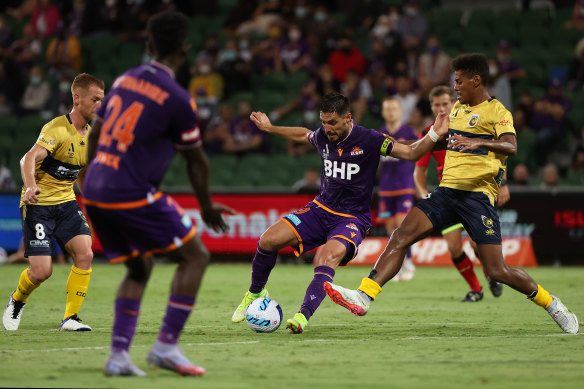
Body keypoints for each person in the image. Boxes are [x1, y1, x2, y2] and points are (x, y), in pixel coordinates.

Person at [324, 54, 579, 335]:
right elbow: (440, 143)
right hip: (446, 193)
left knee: (497, 271)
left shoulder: (498, 111)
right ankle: (364, 295)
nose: (455, 87)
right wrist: (394, 145)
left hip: (477, 197)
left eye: (459, 81)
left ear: (476, 80)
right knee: (400, 236)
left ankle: (552, 304)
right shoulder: (456, 109)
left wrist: (477, 141)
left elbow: (511, 145)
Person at [81, 11, 233, 377]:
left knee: (139, 266)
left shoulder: (124, 78)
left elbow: (97, 136)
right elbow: (196, 161)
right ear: (185, 49)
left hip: (96, 190)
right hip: (130, 192)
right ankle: (165, 346)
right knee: (195, 255)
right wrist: (207, 206)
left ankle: (118, 357)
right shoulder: (179, 98)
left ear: (148, 45)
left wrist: (88, 182)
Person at [231, 92, 450, 334]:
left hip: (352, 218)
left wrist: (434, 135)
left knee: (326, 258)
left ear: (348, 118)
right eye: (324, 122)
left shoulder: (370, 139)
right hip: (320, 209)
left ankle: (302, 317)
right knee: (267, 240)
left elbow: (410, 153)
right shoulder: (324, 135)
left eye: (332, 122)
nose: (327, 128)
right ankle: (255, 292)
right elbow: (303, 134)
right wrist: (270, 128)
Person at [2, 73, 104, 332]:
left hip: (66, 204)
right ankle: (17, 299)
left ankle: (70, 318)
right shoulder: (56, 129)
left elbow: (80, 171)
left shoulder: (91, 136)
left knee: (85, 254)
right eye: (96, 100)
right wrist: (31, 186)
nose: (100, 106)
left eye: (102, 100)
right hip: (39, 206)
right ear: (77, 98)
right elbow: (27, 159)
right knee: (41, 272)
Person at [413, 85, 504, 302]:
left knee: (476, 243)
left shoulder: (468, 122)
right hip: (447, 194)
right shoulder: (429, 132)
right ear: (431, 106)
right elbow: (419, 169)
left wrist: (504, 183)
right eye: (436, 104)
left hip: (474, 191)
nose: (441, 108)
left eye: (445, 103)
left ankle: (491, 274)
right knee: (454, 247)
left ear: (453, 102)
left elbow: (497, 152)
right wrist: (424, 193)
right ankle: (476, 289)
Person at [376, 97, 418, 282]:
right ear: (383, 112)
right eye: (388, 109)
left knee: (402, 225)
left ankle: (408, 261)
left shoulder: (410, 132)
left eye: (394, 108)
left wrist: (418, 183)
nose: (391, 112)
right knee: (391, 229)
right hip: (385, 189)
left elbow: (420, 158)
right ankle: (394, 265)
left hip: (404, 187)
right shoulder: (379, 134)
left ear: (400, 111)